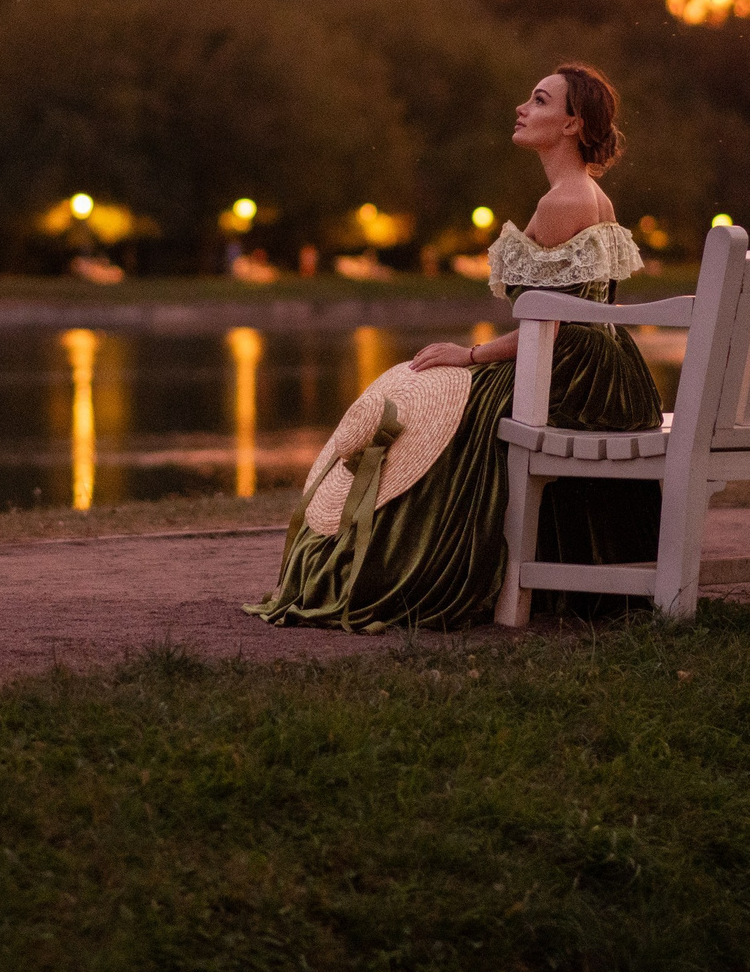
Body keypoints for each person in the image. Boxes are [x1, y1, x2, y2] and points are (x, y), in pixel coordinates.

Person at [246, 62, 663, 630]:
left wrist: (466, 355)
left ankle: (397, 568)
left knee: (443, 414)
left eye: (540, 101)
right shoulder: (590, 194)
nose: (522, 108)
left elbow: (556, 328)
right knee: (446, 394)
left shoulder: (563, 203)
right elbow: (570, 320)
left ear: (572, 124)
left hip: (570, 374)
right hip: (606, 373)